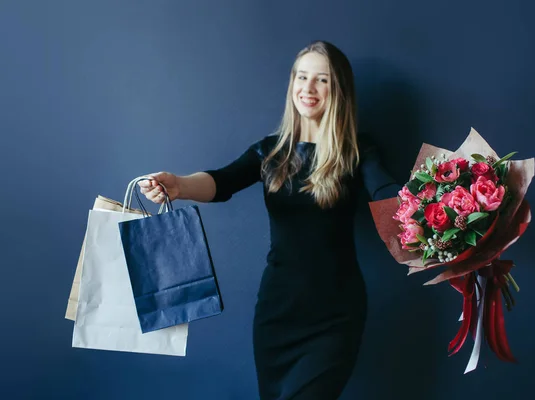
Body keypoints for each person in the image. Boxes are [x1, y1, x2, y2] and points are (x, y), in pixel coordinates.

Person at [139, 40, 400, 400]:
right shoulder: (271, 150)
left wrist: (435, 209)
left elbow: (385, 189)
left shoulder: (357, 150)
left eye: (321, 80)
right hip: (278, 312)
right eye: (302, 77)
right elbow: (222, 181)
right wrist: (179, 185)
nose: (308, 89)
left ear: (338, 89)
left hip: (335, 313)